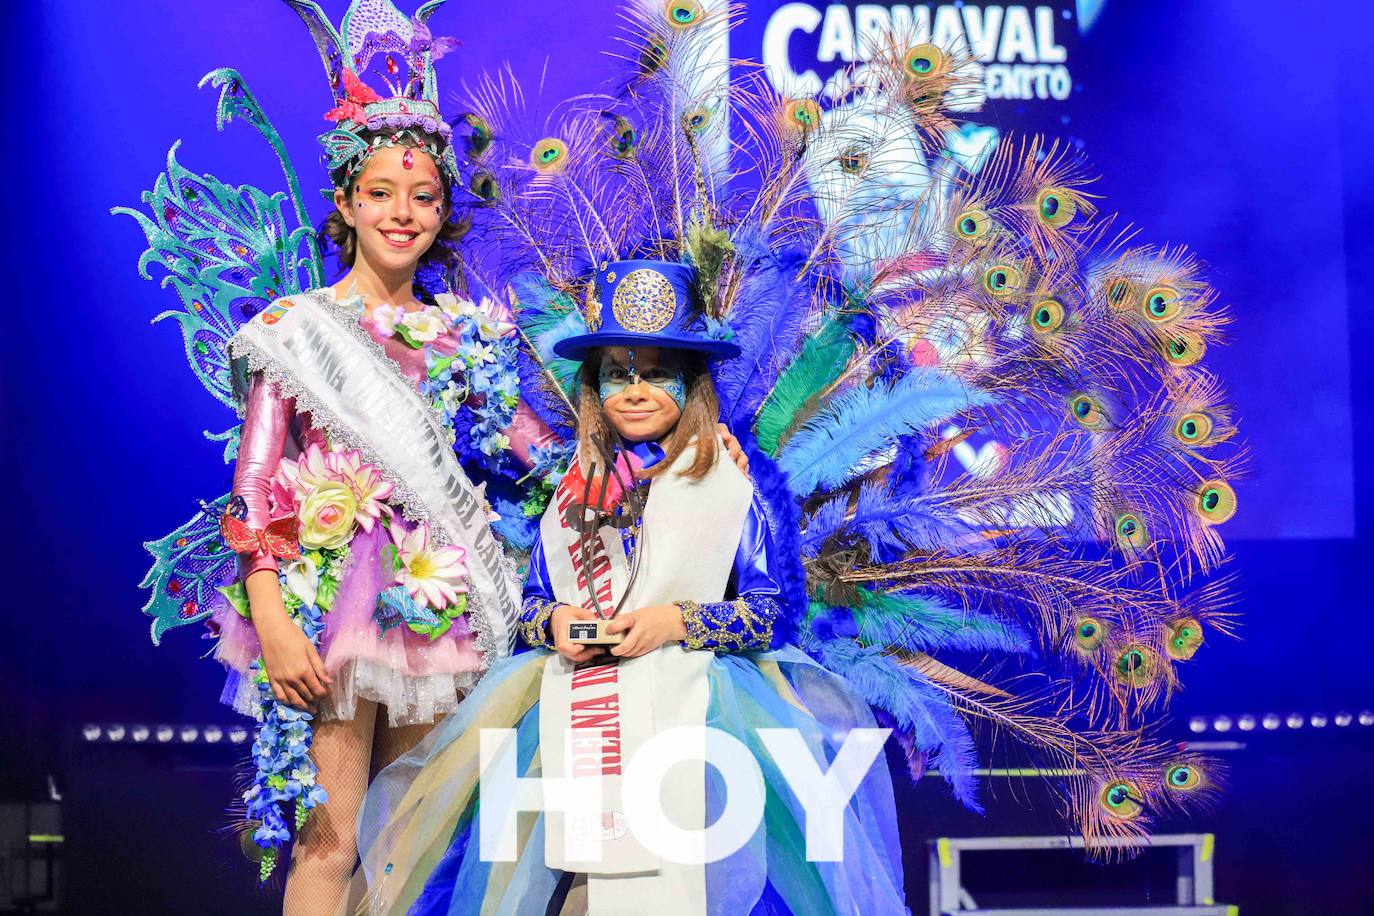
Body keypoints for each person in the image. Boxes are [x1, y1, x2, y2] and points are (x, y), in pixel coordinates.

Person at [353, 260, 909, 914]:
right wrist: (555, 621)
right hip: (579, 709)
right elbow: (530, 607)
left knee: (680, 880)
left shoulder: (728, 485)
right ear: (594, 386)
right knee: (588, 877)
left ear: (690, 383)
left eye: (657, 372)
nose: (636, 389)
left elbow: (769, 614)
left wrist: (676, 622)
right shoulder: (570, 492)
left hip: (695, 716)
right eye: (618, 373)